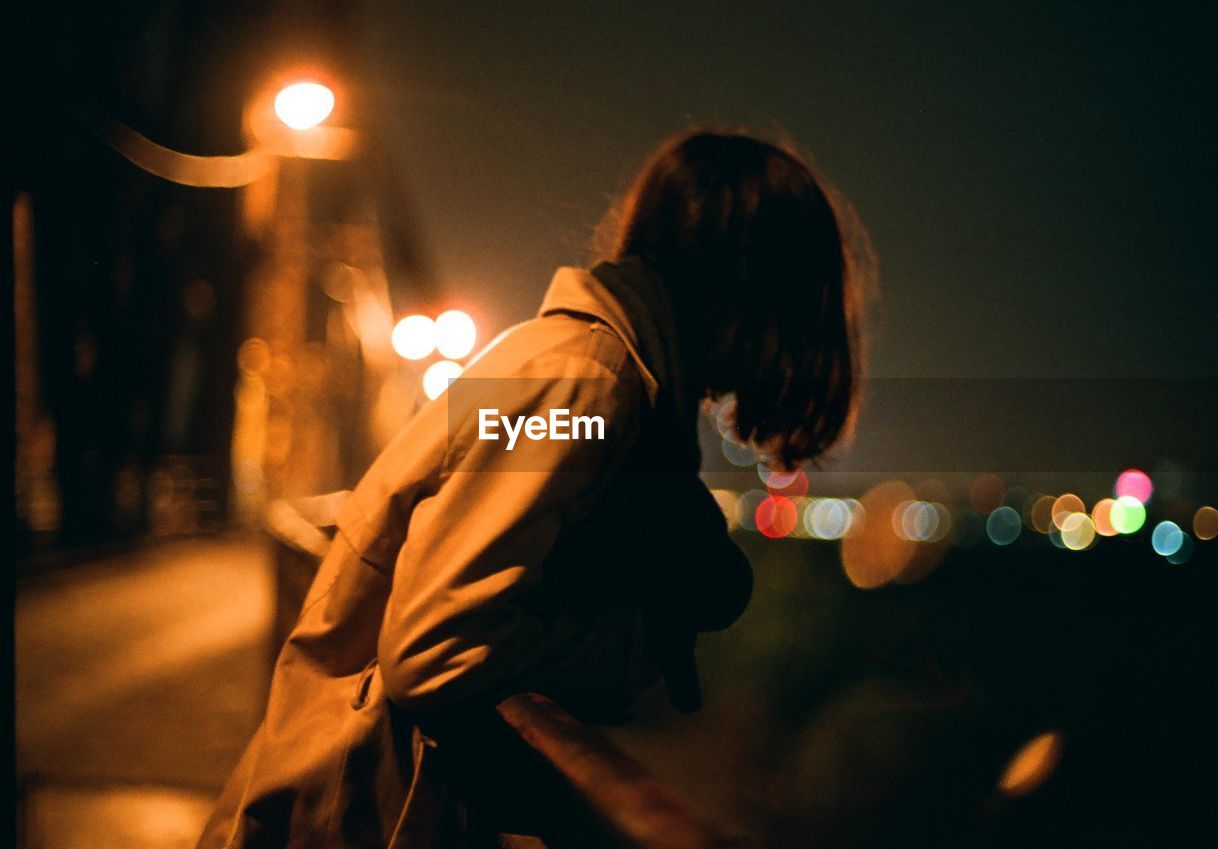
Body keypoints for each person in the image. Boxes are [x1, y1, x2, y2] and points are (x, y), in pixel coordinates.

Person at [197, 129, 875, 848]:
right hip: (350, 815)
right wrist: (632, 644)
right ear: (749, 286)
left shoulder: (578, 364)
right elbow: (436, 647)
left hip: (344, 801)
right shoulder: (584, 379)